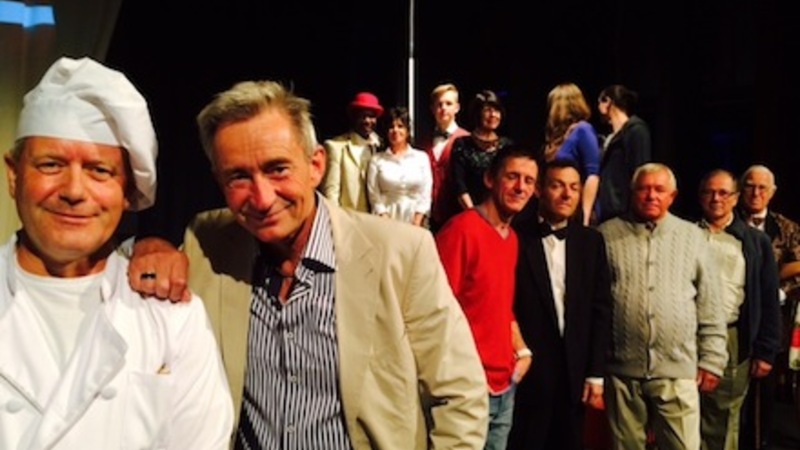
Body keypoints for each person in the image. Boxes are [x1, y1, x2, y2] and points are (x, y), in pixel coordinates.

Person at [130, 80, 489, 449]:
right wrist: (149, 247)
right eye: (238, 176)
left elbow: (460, 395)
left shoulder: (401, 254)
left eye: (277, 169)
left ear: (316, 165)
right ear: (218, 181)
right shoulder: (208, 242)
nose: (262, 198)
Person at [0, 56, 233, 448]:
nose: (74, 191)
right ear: (14, 174)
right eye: (51, 164)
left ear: (127, 192)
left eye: (99, 171)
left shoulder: (172, 316)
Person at [598, 162, 727, 450]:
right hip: (621, 372)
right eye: (644, 189)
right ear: (632, 192)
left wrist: (712, 359)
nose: (651, 196)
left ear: (672, 196)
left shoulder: (693, 237)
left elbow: (710, 303)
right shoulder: (606, 235)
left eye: (659, 189)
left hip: (677, 371)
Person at [435, 144, 538, 450]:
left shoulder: (512, 238)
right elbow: (435, 313)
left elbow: (499, 306)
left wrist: (522, 351)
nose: (521, 187)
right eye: (512, 177)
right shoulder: (461, 230)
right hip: (466, 388)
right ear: (490, 179)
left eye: (529, 181)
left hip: (504, 386)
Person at [508, 158, 612, 450]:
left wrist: (595, 373)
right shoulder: (516, 237)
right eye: (557, 186)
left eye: (574, 188)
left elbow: (601, 310)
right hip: (528, 376)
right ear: (539, 190)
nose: (567, 194)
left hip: (574, 375)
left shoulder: (591, 241)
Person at [696, 169, 780, 450]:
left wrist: (766, 350)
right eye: (709, 192)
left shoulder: (755, 242)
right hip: (685, 336)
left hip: (732, 337)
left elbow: (768, 298)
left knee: (723, 419)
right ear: (700, 197)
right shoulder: (685, 234)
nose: (716, 199)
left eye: (723, 193)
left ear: (735, 198)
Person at [737, 164, 800, 450]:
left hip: (773, 320)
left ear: (772, 192)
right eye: (750, 186)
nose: (756, 193)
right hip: (735, 315)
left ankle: (760, 441)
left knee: (765, 392)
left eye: (762, 187)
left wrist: (779, 289)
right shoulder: (728, 221)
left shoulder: (787, 228)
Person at [542, 82, 601, 226]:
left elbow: (592, 175)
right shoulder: (561, 136)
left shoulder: (583, 130)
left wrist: (585, 215)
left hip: (576, 209)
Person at [595, 84, 653, 224]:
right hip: (607, 211)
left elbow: (640, 171)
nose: (597, 107)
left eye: (599, 102)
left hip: (624, 212)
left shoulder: (636, 131)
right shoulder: (610, 137)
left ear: (607, 101)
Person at [366, 106, 432, 226]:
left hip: (416, 219)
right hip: (386, 220)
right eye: (391, 127)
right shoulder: (376, 160)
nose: (395, 130)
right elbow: (373, 195)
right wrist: (384, 217)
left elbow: (426, 192)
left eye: (400, 126)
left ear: (408, 130)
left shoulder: (421, 158)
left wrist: (417, 220)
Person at [450, 89, 514, 212]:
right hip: (471, 211)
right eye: (488, 110)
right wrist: (474, 215)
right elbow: (460, 186)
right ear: (478, 113)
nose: (493, 115)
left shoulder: (507, 145)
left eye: (497, 110)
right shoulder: (462, 144)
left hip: (502, 212)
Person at [321, 91, 384, 212]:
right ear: (354, 117)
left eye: (371, 116)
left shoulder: (380, 146)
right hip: (351, 219)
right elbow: (331, 192)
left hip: (378, 219)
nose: (367, 121)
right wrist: (336, 220)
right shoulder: (336, 147)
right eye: (362, 116)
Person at [424, 83, 470, 233]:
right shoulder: (423, 142)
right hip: (429, 220)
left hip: (458, 218)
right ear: (432, 109)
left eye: (448, 104)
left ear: (457, 107)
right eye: (439, 104)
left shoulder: (467, 140)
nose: (443, 108)